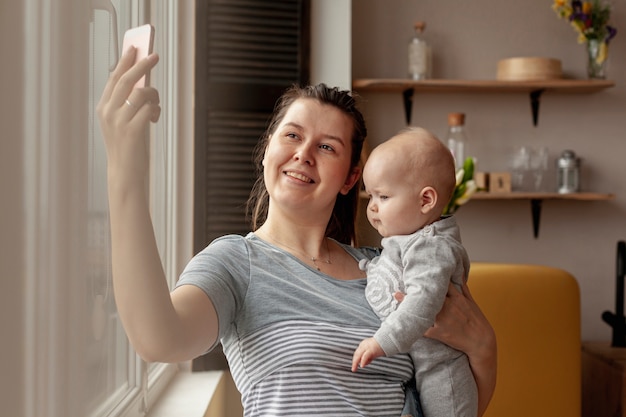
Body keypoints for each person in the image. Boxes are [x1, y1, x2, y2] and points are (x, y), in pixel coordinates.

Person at [97, 46, 497, 416]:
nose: (303, 153)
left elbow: (454, 392)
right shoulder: (237, 264)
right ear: (269, 147)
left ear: (350, 179)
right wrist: (124, 176)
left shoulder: (392, 268)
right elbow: (157, 338)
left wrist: (485, 346)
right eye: (292, 135)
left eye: (328, 148)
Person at [352, 128, 477, 416]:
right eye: (370, 195)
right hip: (417, 369)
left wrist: (382, 342)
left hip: (442, 372)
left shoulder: (431, 248)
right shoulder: (409, 241)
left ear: (425, 201)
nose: (371, 207)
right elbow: (395, 271)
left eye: (382, 196)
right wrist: (371, 268)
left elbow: (423, 303)